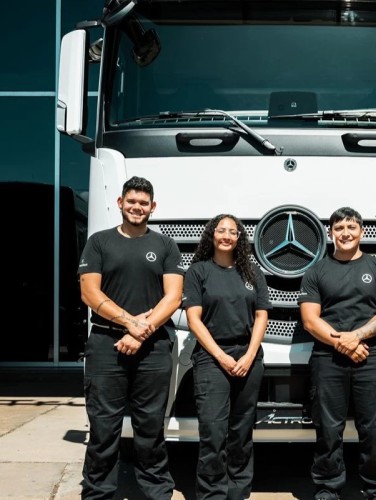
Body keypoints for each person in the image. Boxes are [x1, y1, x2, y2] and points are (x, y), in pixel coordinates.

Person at [77, 176, 184, 500]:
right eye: (132, 201)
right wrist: (129, 323)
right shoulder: (99, 242)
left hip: (153, 348)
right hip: (105, 346)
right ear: (120, 203)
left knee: (150, 428)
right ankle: (98, 494)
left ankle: (157, 492)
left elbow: (174, 297)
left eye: (143, 203)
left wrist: (142, 331)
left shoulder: (165, 245)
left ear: (152, 207)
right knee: (103, 429)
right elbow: (89, 292)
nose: (137, 207)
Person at [298, 207, 376, 500]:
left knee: (374, 429)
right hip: (327, 360)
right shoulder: (316, 271)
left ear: (362, 232)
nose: (345, 233)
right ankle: (328, 489)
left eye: (351, 228)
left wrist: (354, 337)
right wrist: (344, 343)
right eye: (339, 228)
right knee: (328, 430)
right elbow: (309, 319)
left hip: (372, 357)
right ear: (330, 233)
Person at [182, 214, 271, 500]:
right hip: (211, 357)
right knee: (213, 431)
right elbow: (194, 320)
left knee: (242, 431)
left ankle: (238, 492)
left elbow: (261, 315)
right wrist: (220, 356)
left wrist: (250, 354)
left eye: (233, 231)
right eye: (221, 230)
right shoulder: (198, 271)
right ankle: (212, 494)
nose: (227, 236)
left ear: (239, 238)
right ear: (212, 235)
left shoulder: (251, 273)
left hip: (248, 356)